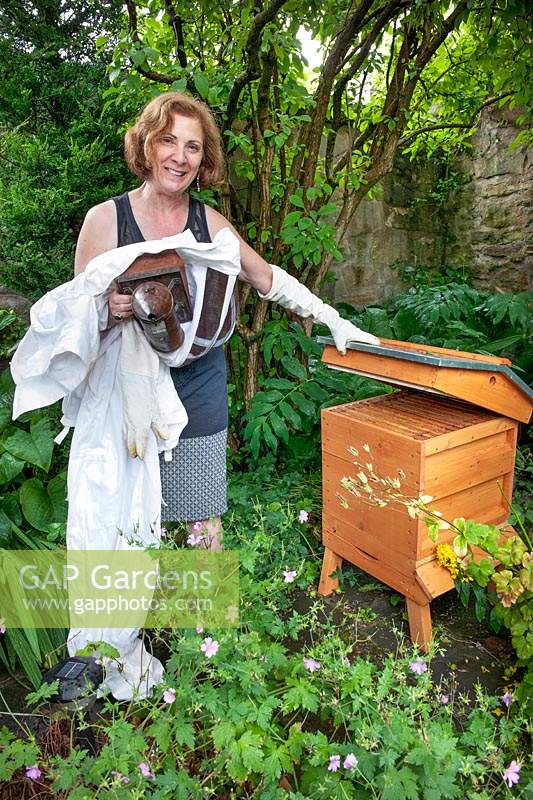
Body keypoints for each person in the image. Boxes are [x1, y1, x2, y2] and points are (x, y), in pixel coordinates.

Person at [74, 91, 378, 551]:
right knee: (130, 513)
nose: (179, 157)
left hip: (199, 381)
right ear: (146, 145)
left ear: (203, 158)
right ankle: (141, 618)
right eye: (168, 141)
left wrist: (330, 317)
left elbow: (264, 277)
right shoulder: (105, 220)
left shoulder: (207, 222)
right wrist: (107, 310)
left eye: (192, 147)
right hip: (129, 388)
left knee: (201, 515)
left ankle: (207, 619)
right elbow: (72, 319)